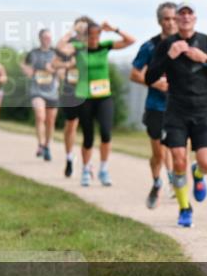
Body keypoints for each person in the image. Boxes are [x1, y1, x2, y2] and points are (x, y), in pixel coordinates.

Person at [146, 1, 207, 228]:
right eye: (180, 14)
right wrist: (168, 57)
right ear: (176, 19)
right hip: (176, 112)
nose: (184, 17)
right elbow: (149, 77)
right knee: (179, 161)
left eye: (188, 13)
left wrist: (205, 59)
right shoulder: (166, 45)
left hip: (203, 111)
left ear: (194, 18)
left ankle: (199, 174)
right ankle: (184, 208)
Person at [58, 21, 135, 186]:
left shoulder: (104, 46)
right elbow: (60, 47)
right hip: (84, 97)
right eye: (90, 36)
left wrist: (114, 28)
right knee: (88, 137)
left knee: (106, 134)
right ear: (85, 36)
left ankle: (104, 169)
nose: (94, 39)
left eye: (97, 36)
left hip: (103, 96)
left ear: (100, 36)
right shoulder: (78, 47)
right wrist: (72, 31)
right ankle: (86, 170)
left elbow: (131, 41)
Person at [131, 2, 178, 208]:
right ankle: (157, 182)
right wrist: (155, 83)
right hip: (156, 106)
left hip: (179, 106)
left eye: (173, 18)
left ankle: (176, 184)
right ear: (160, 21)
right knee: (159, 153)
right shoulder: (150, 46)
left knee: (177, 150)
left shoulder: (186, 44)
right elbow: (135, 73)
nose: (170, 22)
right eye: (166, 19)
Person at [56, 16, 90, 178]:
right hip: (70, 89)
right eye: (79, 26)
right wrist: (67, 65)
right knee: (71, 125)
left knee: (87, 127)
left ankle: (86, 164)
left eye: (84, 26)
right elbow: (57, 54)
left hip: (88, 90)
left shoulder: (92, 43)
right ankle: (69, 158)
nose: (82, 28)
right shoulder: (70, 44)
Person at [22, 29, 60, 161]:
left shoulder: (56, 53)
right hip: (37, 90)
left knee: (50, 120)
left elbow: (62, 69)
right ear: (40, 38)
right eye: (45, 37)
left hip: (52, 91)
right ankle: (40, 144)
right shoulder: (33, 53)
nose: (47, 40)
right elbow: (24, 64)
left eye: (49, 37)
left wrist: (54, 70)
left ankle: (47, 145)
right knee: (40, 116)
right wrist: (28, 71)